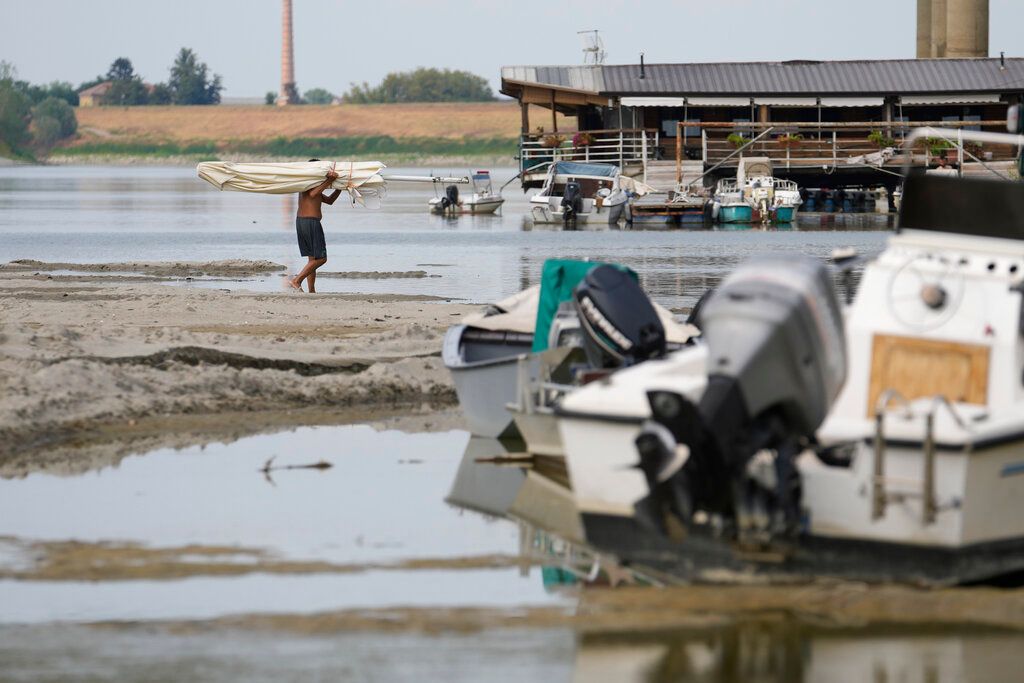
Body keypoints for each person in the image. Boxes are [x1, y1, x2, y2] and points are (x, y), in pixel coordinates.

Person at [289, 160, 342, 292]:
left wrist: (340, 188)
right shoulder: (308, 185)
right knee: (322, 259)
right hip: (310, 223)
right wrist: (330, 180)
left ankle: (311, 290)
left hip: (302, 222)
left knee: (312, 259)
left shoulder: (310, 184)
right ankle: (296, 280)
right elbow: (313, 194)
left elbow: (329, 201)